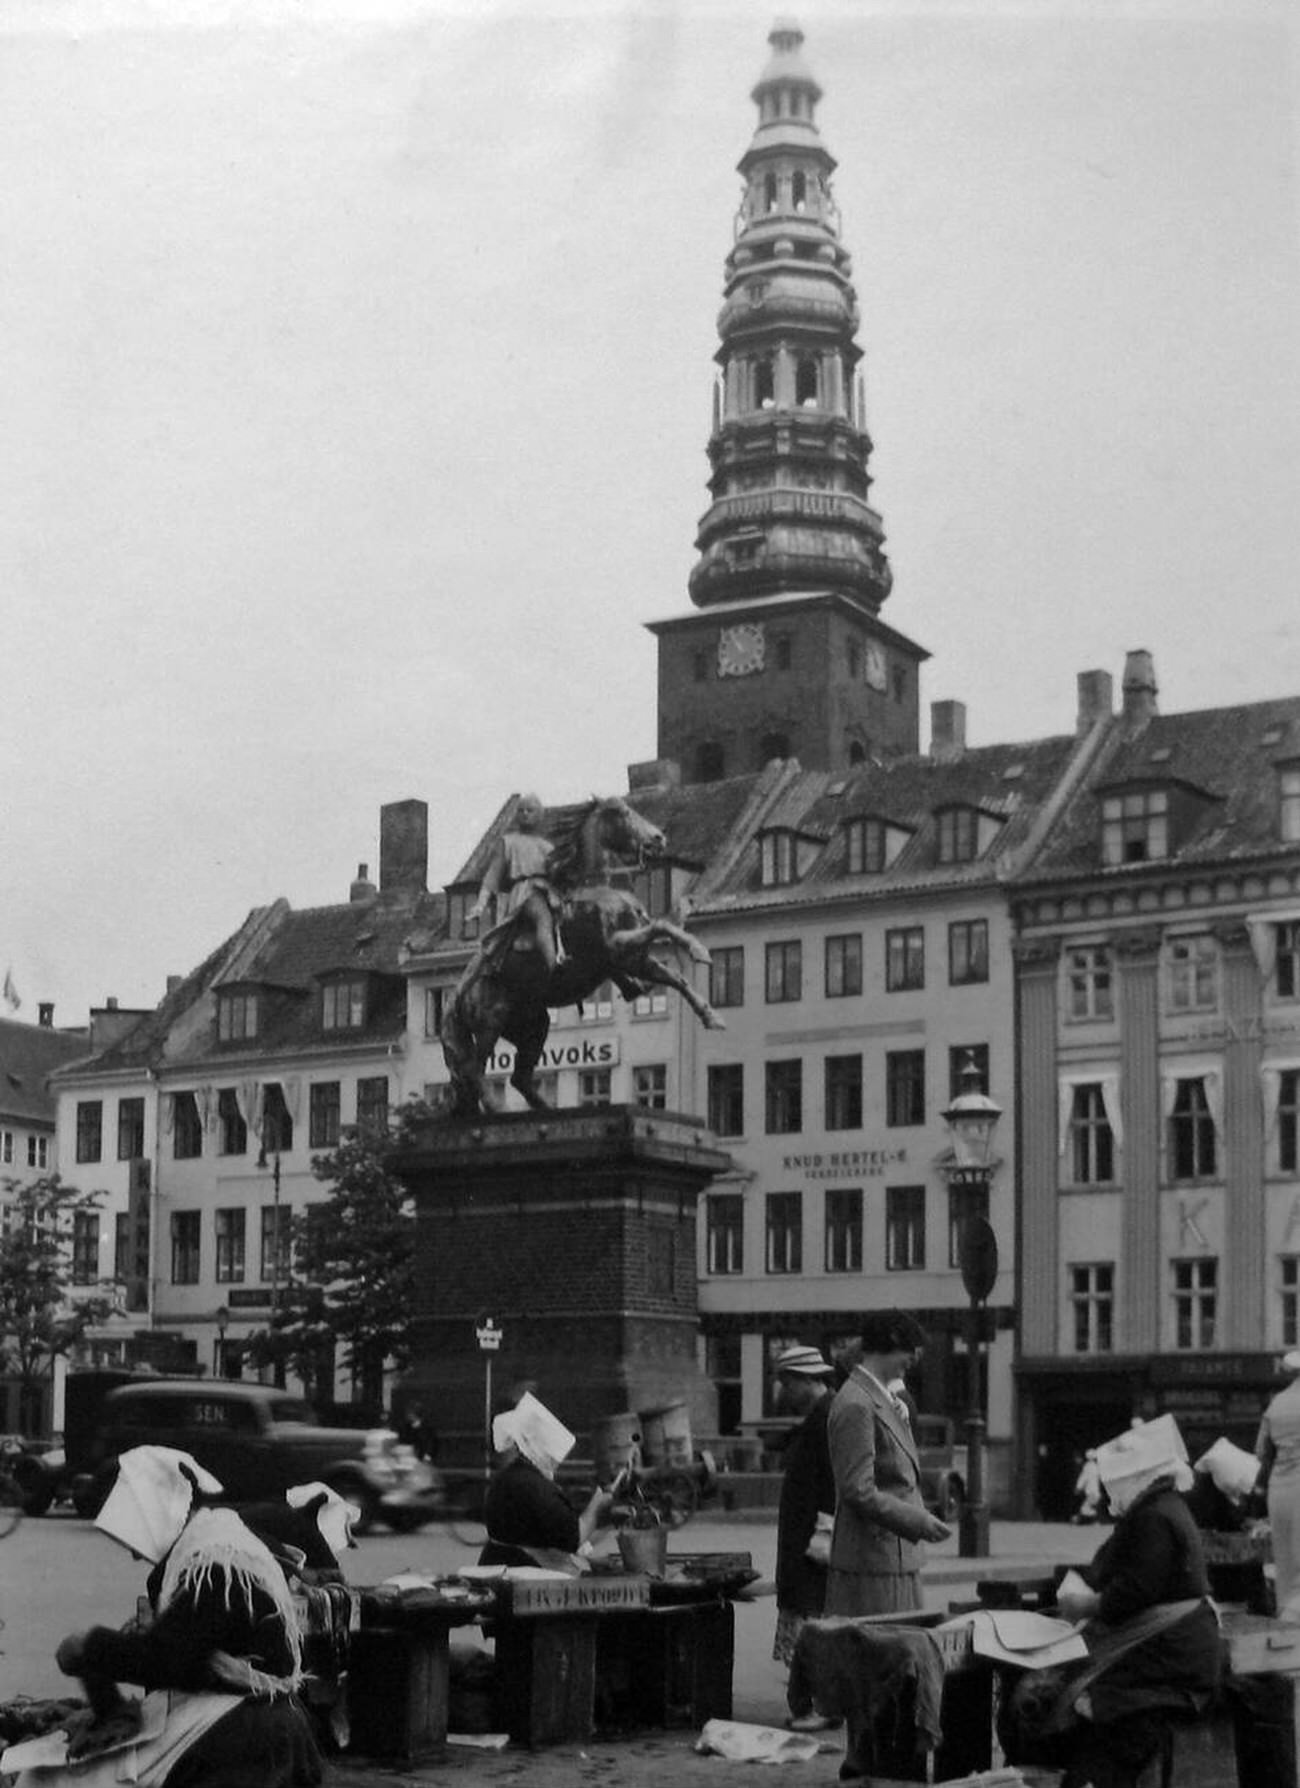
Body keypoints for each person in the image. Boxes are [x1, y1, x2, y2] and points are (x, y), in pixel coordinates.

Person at [45, 1445, 322, 1787]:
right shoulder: (223, 1541)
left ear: (155, 1514)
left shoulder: (217, 1561)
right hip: (257, 1728)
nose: (135, 1555)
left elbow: (172, 1661)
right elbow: (196, 1640)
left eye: (134, 1541)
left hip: (246, 1739)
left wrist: (90, 1645)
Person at [1005, 1414, 1221, 1788]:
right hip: (1174, 1647)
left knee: (1080, 1699)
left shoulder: (1154, 1515)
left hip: (1169, 1656)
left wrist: (1085, 1606)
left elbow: (1135, 1591)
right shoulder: (1162, 1507)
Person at [824, 1309, 951, 1615]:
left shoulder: (877, 1399)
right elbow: (858, 1490)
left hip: (890, 1558)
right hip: (874, 1562)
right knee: (884, 1656)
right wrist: (916, 1520)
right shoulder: (857, 1403)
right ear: (892, 1342)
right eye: (911, 1350)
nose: (915, 1359)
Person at [769, 1344, 838, 1732]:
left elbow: (830, 1483)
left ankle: (813, 1706)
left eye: (786, 1382)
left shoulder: (825, 1418)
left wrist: (824, 1534)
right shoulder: (819, 1415)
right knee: (808, 1619)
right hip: (806, 1539)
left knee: (809, 1623)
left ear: (804, 1380)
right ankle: (816, 1704)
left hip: (811, 1543)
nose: (783, 1392)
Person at [480, 1392, 614, 1569]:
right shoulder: (534, 1486)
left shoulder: (508, 1478)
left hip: (498, 1564)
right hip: (523, 1573)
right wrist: (597, 1505)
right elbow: (574, 1538)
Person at [466, 792, 565, 971]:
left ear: (540, 815)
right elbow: (492, 876)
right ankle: (554, 967)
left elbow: (558, 876)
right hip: (524, 892)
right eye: (521, 811)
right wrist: (480, 904)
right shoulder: (508, 842)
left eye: (530, 810)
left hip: (547, 892)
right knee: (543, 917)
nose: (525, 814)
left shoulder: (548, 847)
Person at [1256, 1349, 1300, 1616]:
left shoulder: (1276, 1404)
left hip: (1280, 1489)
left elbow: (1261, 1453)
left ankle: (1287, 1623)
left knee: (1285, 1562)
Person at [1073, 1449, 1103, 1524]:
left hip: (1091, 1492)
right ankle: (1094, 1520)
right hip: (1096, 1492)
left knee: (1085, 1509)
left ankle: (1094, 1520)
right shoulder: (1096, 1467)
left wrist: (1078, 1487)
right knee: (1087, 1508)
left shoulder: (1087, 1467)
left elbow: (1083, 1478)